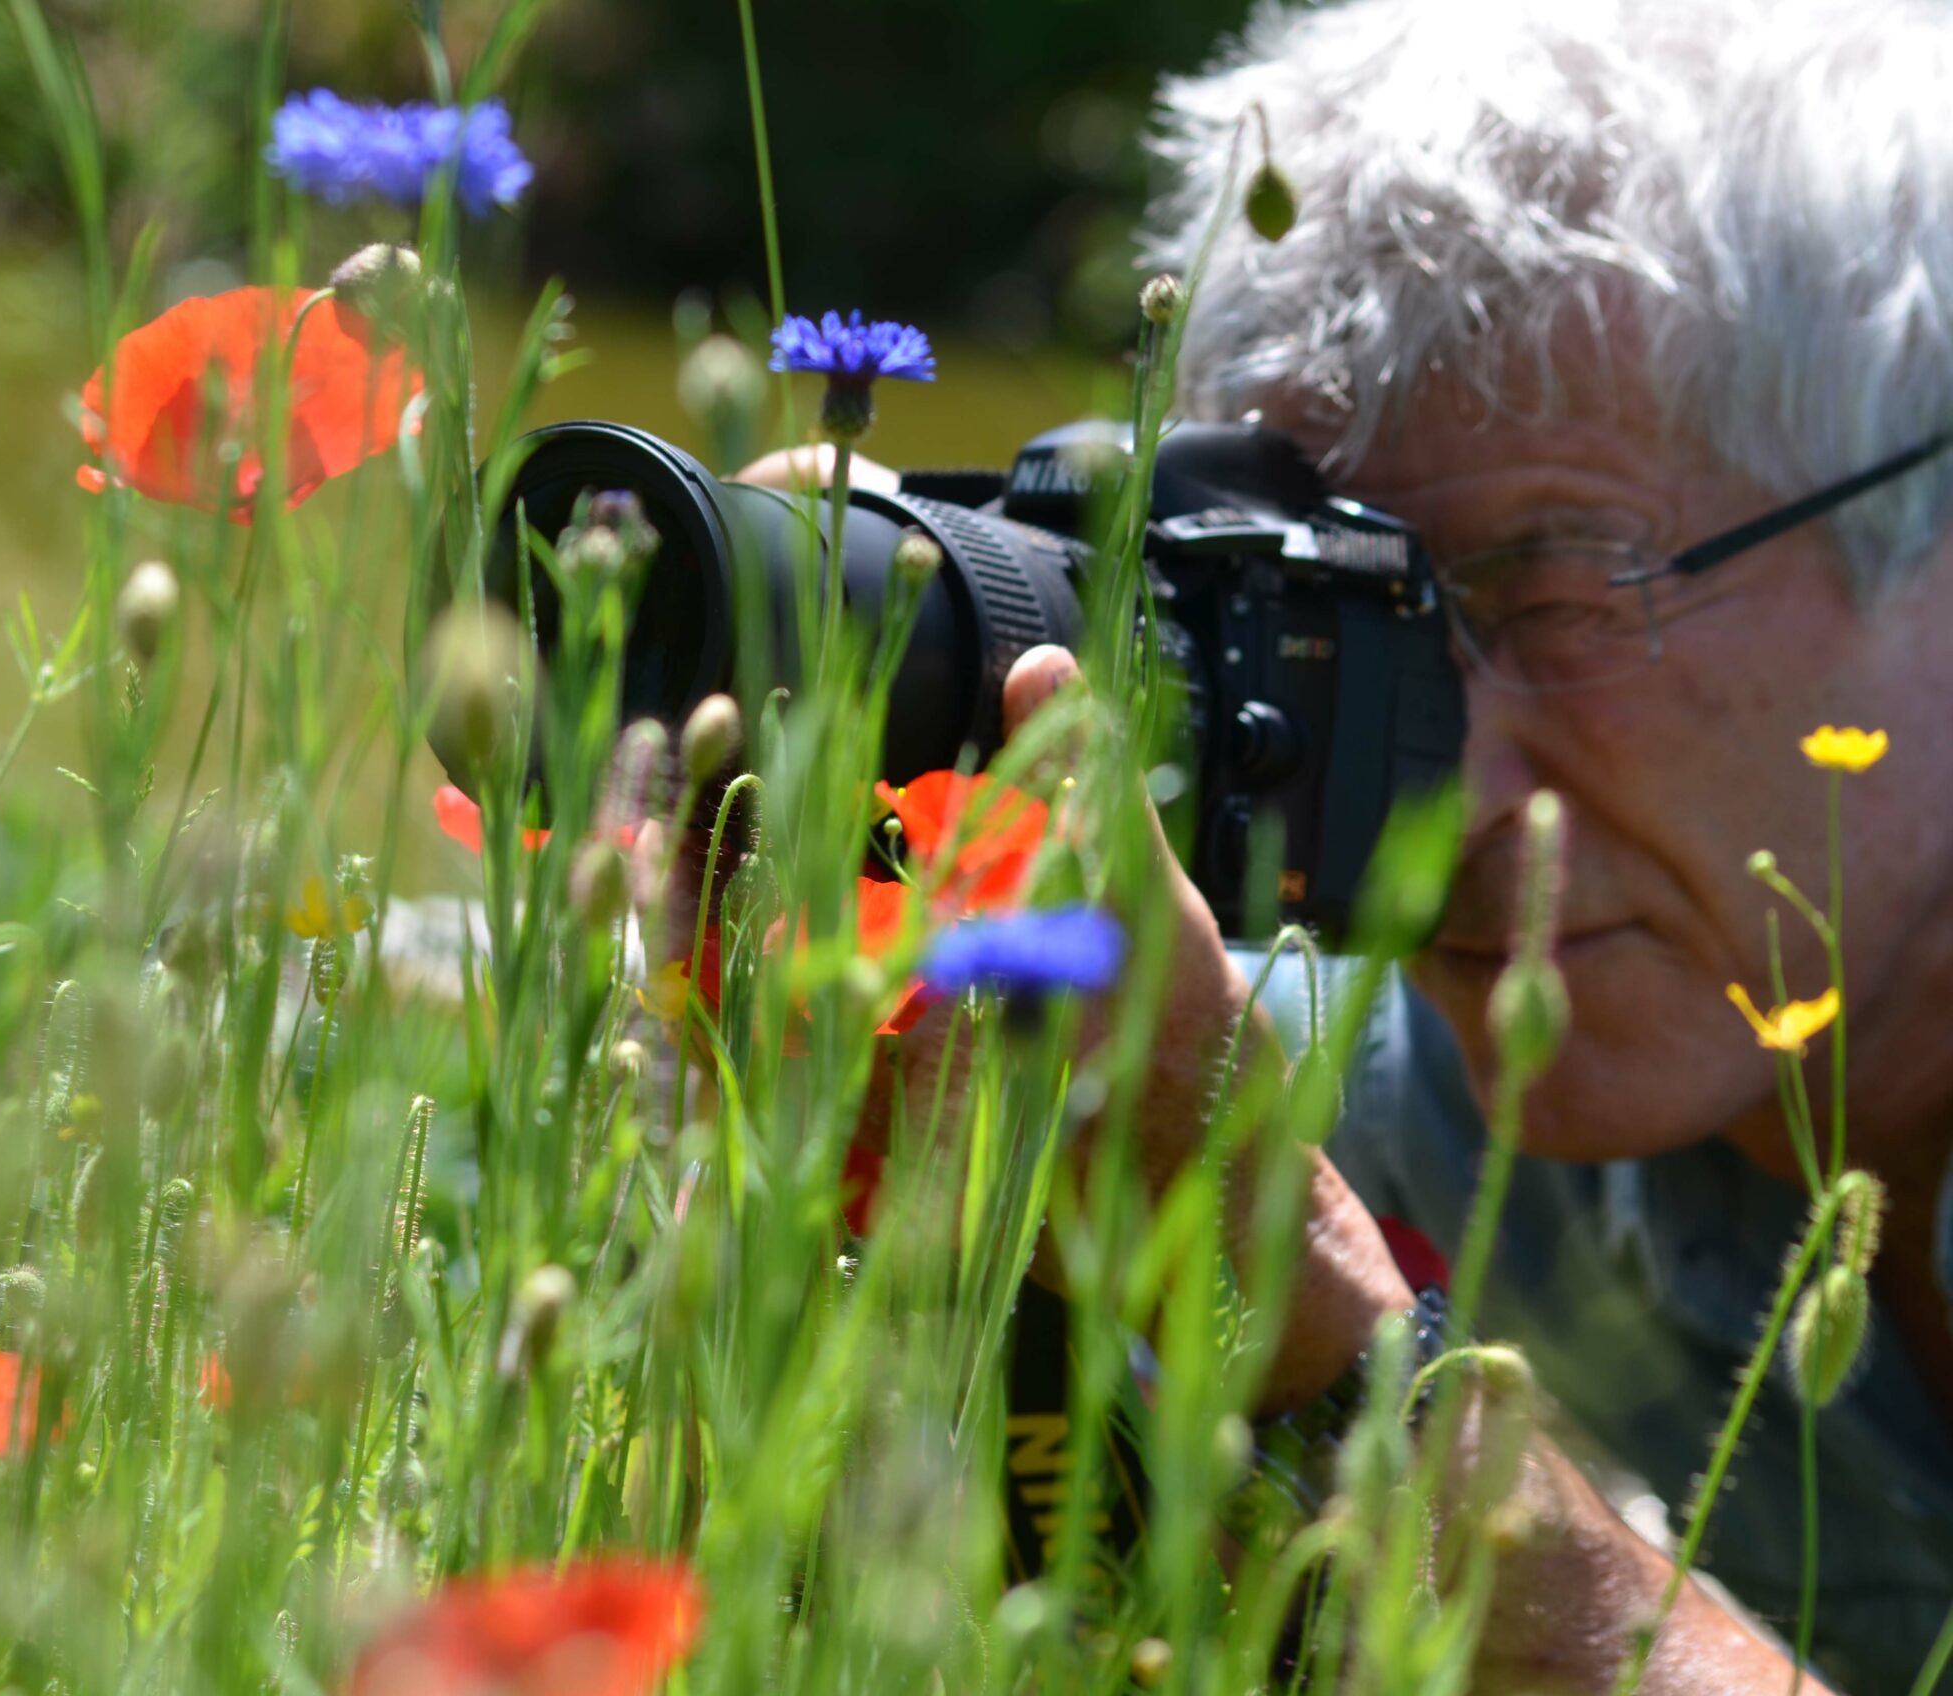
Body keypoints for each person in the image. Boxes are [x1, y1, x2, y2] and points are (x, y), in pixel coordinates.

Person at [741, 0, 1953, 1687]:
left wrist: (1313, 1312)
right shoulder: (1455, 1074)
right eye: (1338, 630)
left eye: (1552, 594)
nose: (1431, 784)